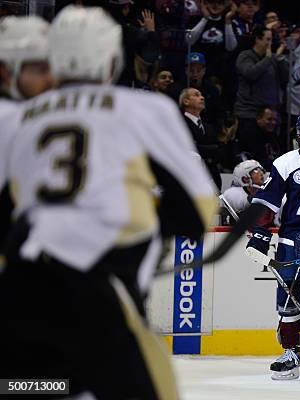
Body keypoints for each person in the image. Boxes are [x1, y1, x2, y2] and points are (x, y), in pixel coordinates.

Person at [0, 5, 219, 398]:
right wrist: (144, 225)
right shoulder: (143, 109)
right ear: (113, 60)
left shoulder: (21, 119)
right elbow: (197, 210)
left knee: (32, 388)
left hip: (20, 288)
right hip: (97, 291)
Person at [246, 112, 300, 380]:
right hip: (293, 235)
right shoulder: (285, 163)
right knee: (288, 298)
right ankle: (290, 352)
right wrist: (260, 233)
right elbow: (268, 200)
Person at [0, 15, 53, 262]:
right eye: (40, 69)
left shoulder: (35, 116)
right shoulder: (10, 118)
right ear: (7, 70)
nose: (50, 79)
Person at [234, 26, 288, 143]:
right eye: (267, 40)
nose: (270, 43)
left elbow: (285, 78)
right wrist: (268, 58)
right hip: (249, 113)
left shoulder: (272, 58)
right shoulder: (245, 56)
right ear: (258, 39)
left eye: (271, 40)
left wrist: (279, 59)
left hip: (270, 115)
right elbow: (251, 73)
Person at [180, 87, 222, 189]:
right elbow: (191, 149)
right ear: (186, 101)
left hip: (213, 177)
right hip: (192, 177)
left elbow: (219, 149)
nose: (202, 97)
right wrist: (211, 149)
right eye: (196, 95)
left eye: (201, 95)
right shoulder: (180, 123)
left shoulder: (209, 127)